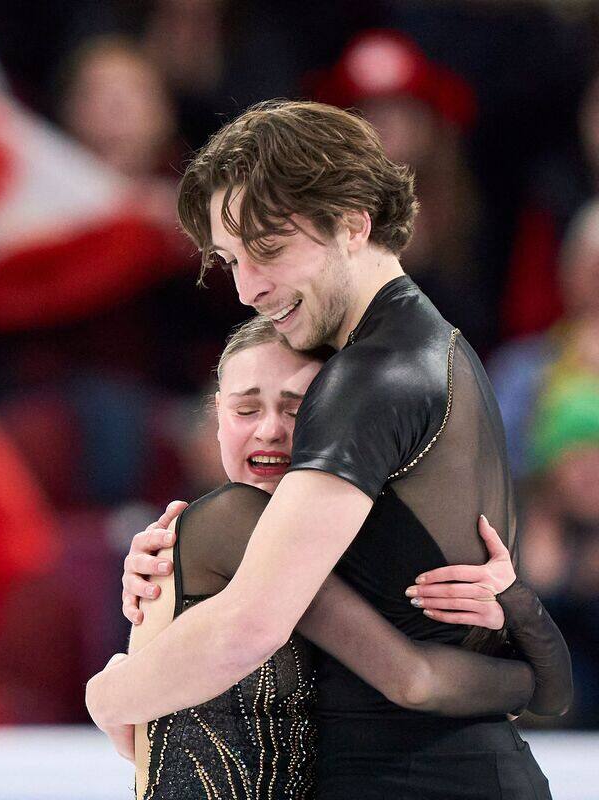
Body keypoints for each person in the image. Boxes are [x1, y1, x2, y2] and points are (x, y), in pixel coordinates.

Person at [86, 100, 568, 798]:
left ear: (351, 223)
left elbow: (249, 626)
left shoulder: (370, 377)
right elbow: (490, 677)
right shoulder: (430, 348)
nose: (247, 287)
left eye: (269, 249)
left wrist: (108, 695)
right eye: (231, 260)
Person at [123, 315, 570, 798]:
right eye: (246, 410)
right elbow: (421, 680)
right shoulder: (229, 521)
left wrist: (511, 603)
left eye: (297, 411)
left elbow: (552, 695)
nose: (270, 431)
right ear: (216, 417)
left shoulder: (356, 546)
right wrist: (104, 695)